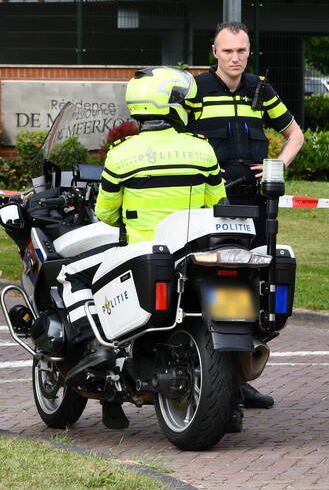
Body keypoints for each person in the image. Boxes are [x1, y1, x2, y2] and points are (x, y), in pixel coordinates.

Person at [57, 67, 226, 430]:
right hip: (190, 253)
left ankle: (93, 347)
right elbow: (219, 201)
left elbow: (105, 213)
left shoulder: (121, 154)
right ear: (171, 106)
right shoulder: (202, 149)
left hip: (141, 253)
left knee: (71, 274)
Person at [184, 21, 304, 414]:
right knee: (210, 287)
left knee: (250, 290)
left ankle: (239, 381)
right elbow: (177, 137)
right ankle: (215, 375)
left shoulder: (259, 89)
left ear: (249, 52)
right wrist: (201, 170)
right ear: (214, 53)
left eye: (242, 51)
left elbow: (295, 135)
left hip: (252, 205)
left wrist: (276, 167)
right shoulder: (196, 91)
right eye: (228, 51)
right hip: (211, 205)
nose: (235, 58)